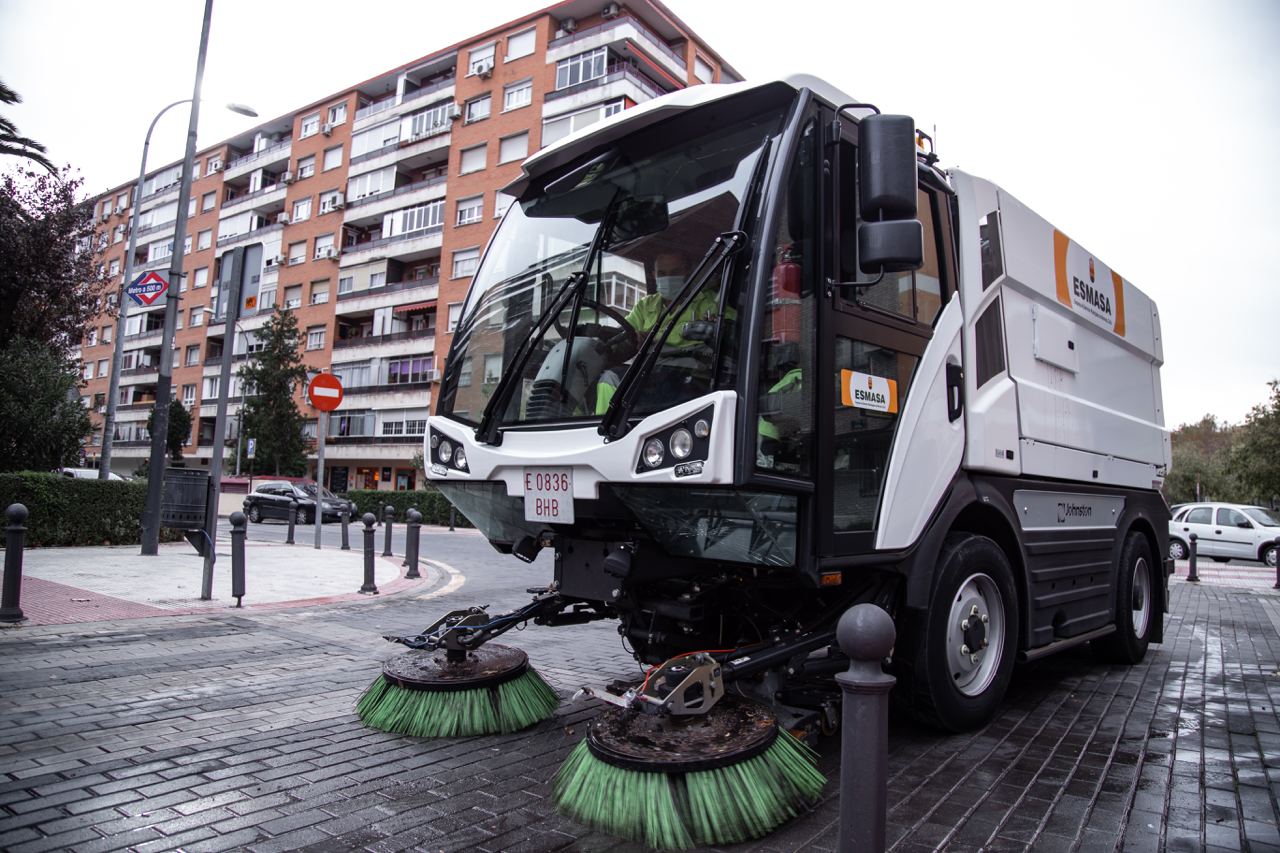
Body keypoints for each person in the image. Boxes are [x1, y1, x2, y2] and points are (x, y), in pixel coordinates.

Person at [593, 248, 726, 413]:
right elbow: (625, 332)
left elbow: (727, 330)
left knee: (612, 379)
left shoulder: (708, 304)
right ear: (654, 275)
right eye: (662, 273)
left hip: (687, 374)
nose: (668, 278)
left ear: (688, 271)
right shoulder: (645, 305)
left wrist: (652, 338)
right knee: (602, 376)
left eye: (675, 272)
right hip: (649, 370)